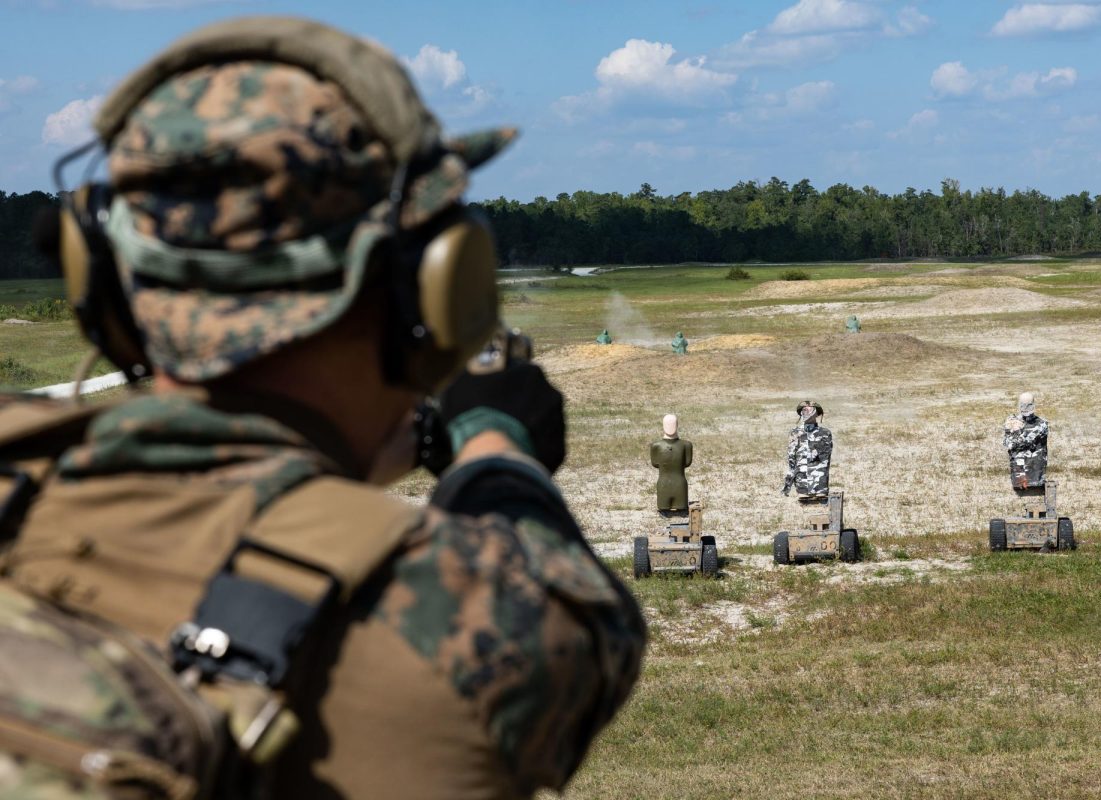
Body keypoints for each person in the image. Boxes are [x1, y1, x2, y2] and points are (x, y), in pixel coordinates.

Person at [1, 17, 643, 800]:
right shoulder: (475, 608)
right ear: (436, 288)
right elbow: (582, 615)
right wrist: (493, 444)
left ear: (100, 285)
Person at [782, 400, 833, 499]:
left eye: (810, 409)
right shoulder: (795, 433)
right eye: (803, 410)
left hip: (820, 485)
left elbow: (826, 461)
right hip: (802, 484)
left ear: (816, 413)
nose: (806, 412)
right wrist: (787, 486)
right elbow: (791, 460)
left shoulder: (825, 433)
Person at [1004, 391, 1049, 491]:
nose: (1025, 408)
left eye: (1027, 405)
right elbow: (1008, 444)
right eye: (1024, 405)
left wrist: (1016, 430)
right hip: (1023, 477)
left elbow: (1018, 443)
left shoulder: (1041, 424)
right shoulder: (1012, 421)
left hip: (1033, 477)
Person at [650, 414, 692, 511]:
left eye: (672, 423)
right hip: (668, 485)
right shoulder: (656, 446)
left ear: (677, 425)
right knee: (665, 506)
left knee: (680, 507)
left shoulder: (686, 445)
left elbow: (655, 463)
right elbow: (686, 462)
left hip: (674, 485)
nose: (670, 426)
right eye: (668, 423)